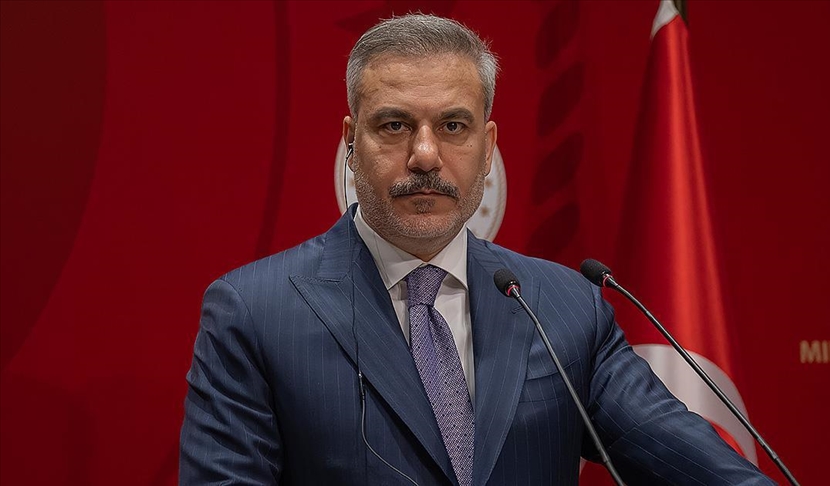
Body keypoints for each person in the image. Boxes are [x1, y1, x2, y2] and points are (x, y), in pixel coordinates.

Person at [179, 13, 775, 485]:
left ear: (488, 148)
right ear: (351, 143)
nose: (425, 156)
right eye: (394, 126)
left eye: (453, 127)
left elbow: (694, 465)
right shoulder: (255, 314)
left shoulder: (565, 307)